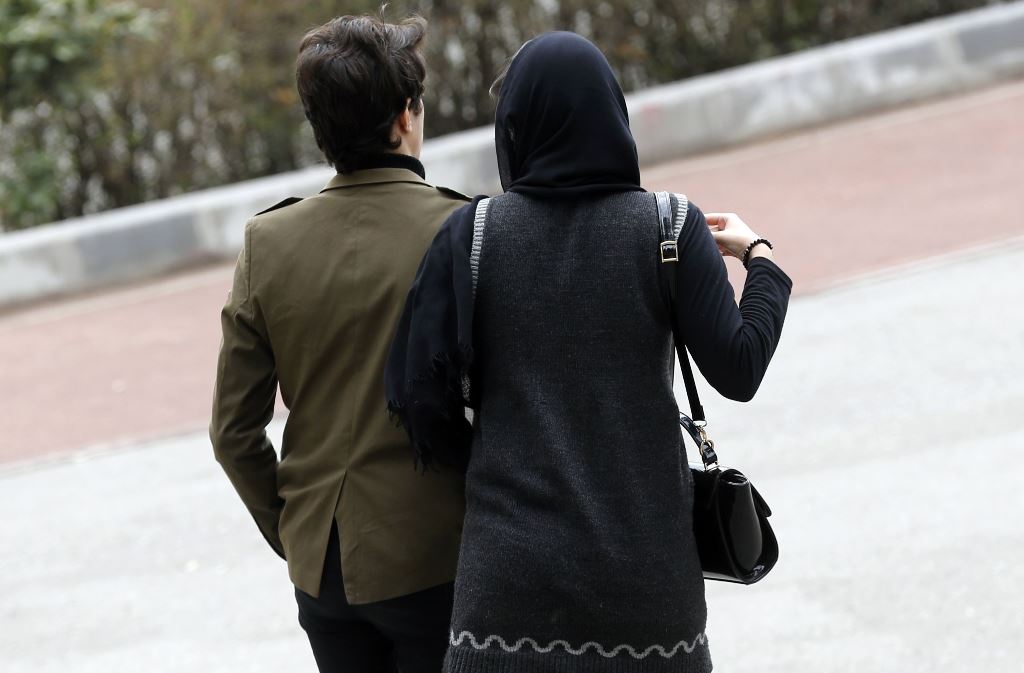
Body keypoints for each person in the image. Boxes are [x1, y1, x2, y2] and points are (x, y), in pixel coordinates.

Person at [385, 32, 793, 672]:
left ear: (515, 127)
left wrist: (498, 461)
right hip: (647, 579)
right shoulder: (668, 226)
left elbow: (419, 399)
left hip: (508, 584)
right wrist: (761, 260)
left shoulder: (473, 234)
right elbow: (739, 369)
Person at [210, 13, 469, 673]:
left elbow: (233, 431)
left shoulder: (267, 241)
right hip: (441, 550)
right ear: (406, 116)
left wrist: (294, 531)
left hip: (321, 564)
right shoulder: (462, 228)